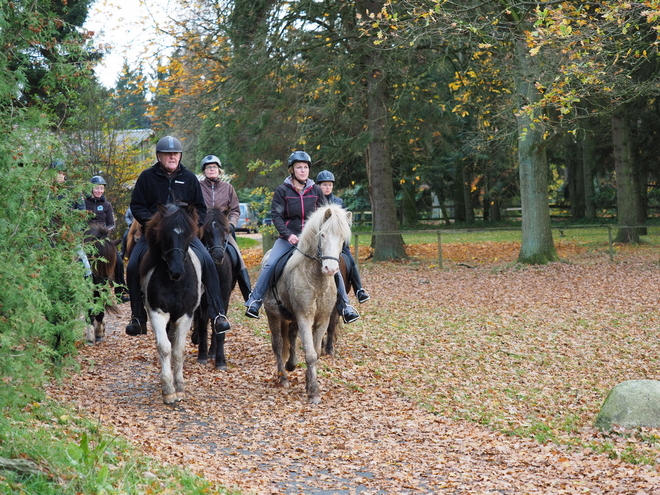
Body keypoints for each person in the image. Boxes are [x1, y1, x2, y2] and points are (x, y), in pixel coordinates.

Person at [124, 136, 231, 336]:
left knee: (208, 261)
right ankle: (137, 316)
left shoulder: (190, 178)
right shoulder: (147, 177)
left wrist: (191, 227)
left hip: (184, 237)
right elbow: (137, 206)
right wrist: (154, 224)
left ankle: (218, 314)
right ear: (159, 156)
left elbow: (200, 207)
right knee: (132, 266)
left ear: (180, 156)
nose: (172, 157)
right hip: (154, 236)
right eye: (168, 154)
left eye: (175, 154)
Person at [244, 151, 360, 323]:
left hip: (312, 241)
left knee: (333, 264)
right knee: (271, 263)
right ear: (292, 170)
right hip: (288, 238)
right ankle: (255, 300)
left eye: (305, 167)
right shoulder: (282, 191)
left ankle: (345, 305)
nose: (303, 170)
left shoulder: (316, 191)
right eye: (299, 167)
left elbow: (324, 216)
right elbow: (276, 216)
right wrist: (287, 234)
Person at [199, 155, 252, 301]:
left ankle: (248, 294)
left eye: (214, 167)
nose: (211, 170)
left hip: (223, 231)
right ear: (204, 171)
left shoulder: (228, 188)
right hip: (203, 230)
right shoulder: (198, 187)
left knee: (237, 256)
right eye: (208, 167)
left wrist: (231, 224)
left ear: (219, 170)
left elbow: (235, 210)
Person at [316, 170, 370, 304]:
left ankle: (359, 290)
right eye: (324, 185)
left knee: (350, 261)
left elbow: (345, 222)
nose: (327, 187)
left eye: (329, 185)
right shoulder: (315, 203)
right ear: (319, 186)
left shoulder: (338, 202)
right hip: (321, 241)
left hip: (338, 242)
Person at [83, 175, 128, 301]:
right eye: (97, 188)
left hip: (103, 238)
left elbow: (112, 223)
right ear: (91, 189)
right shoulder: (84, 203)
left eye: (101, 188)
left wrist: (104, 231)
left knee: (118, 260)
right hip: (87, 238)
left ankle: (121, 292)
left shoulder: (107, 204)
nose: (99, 191)